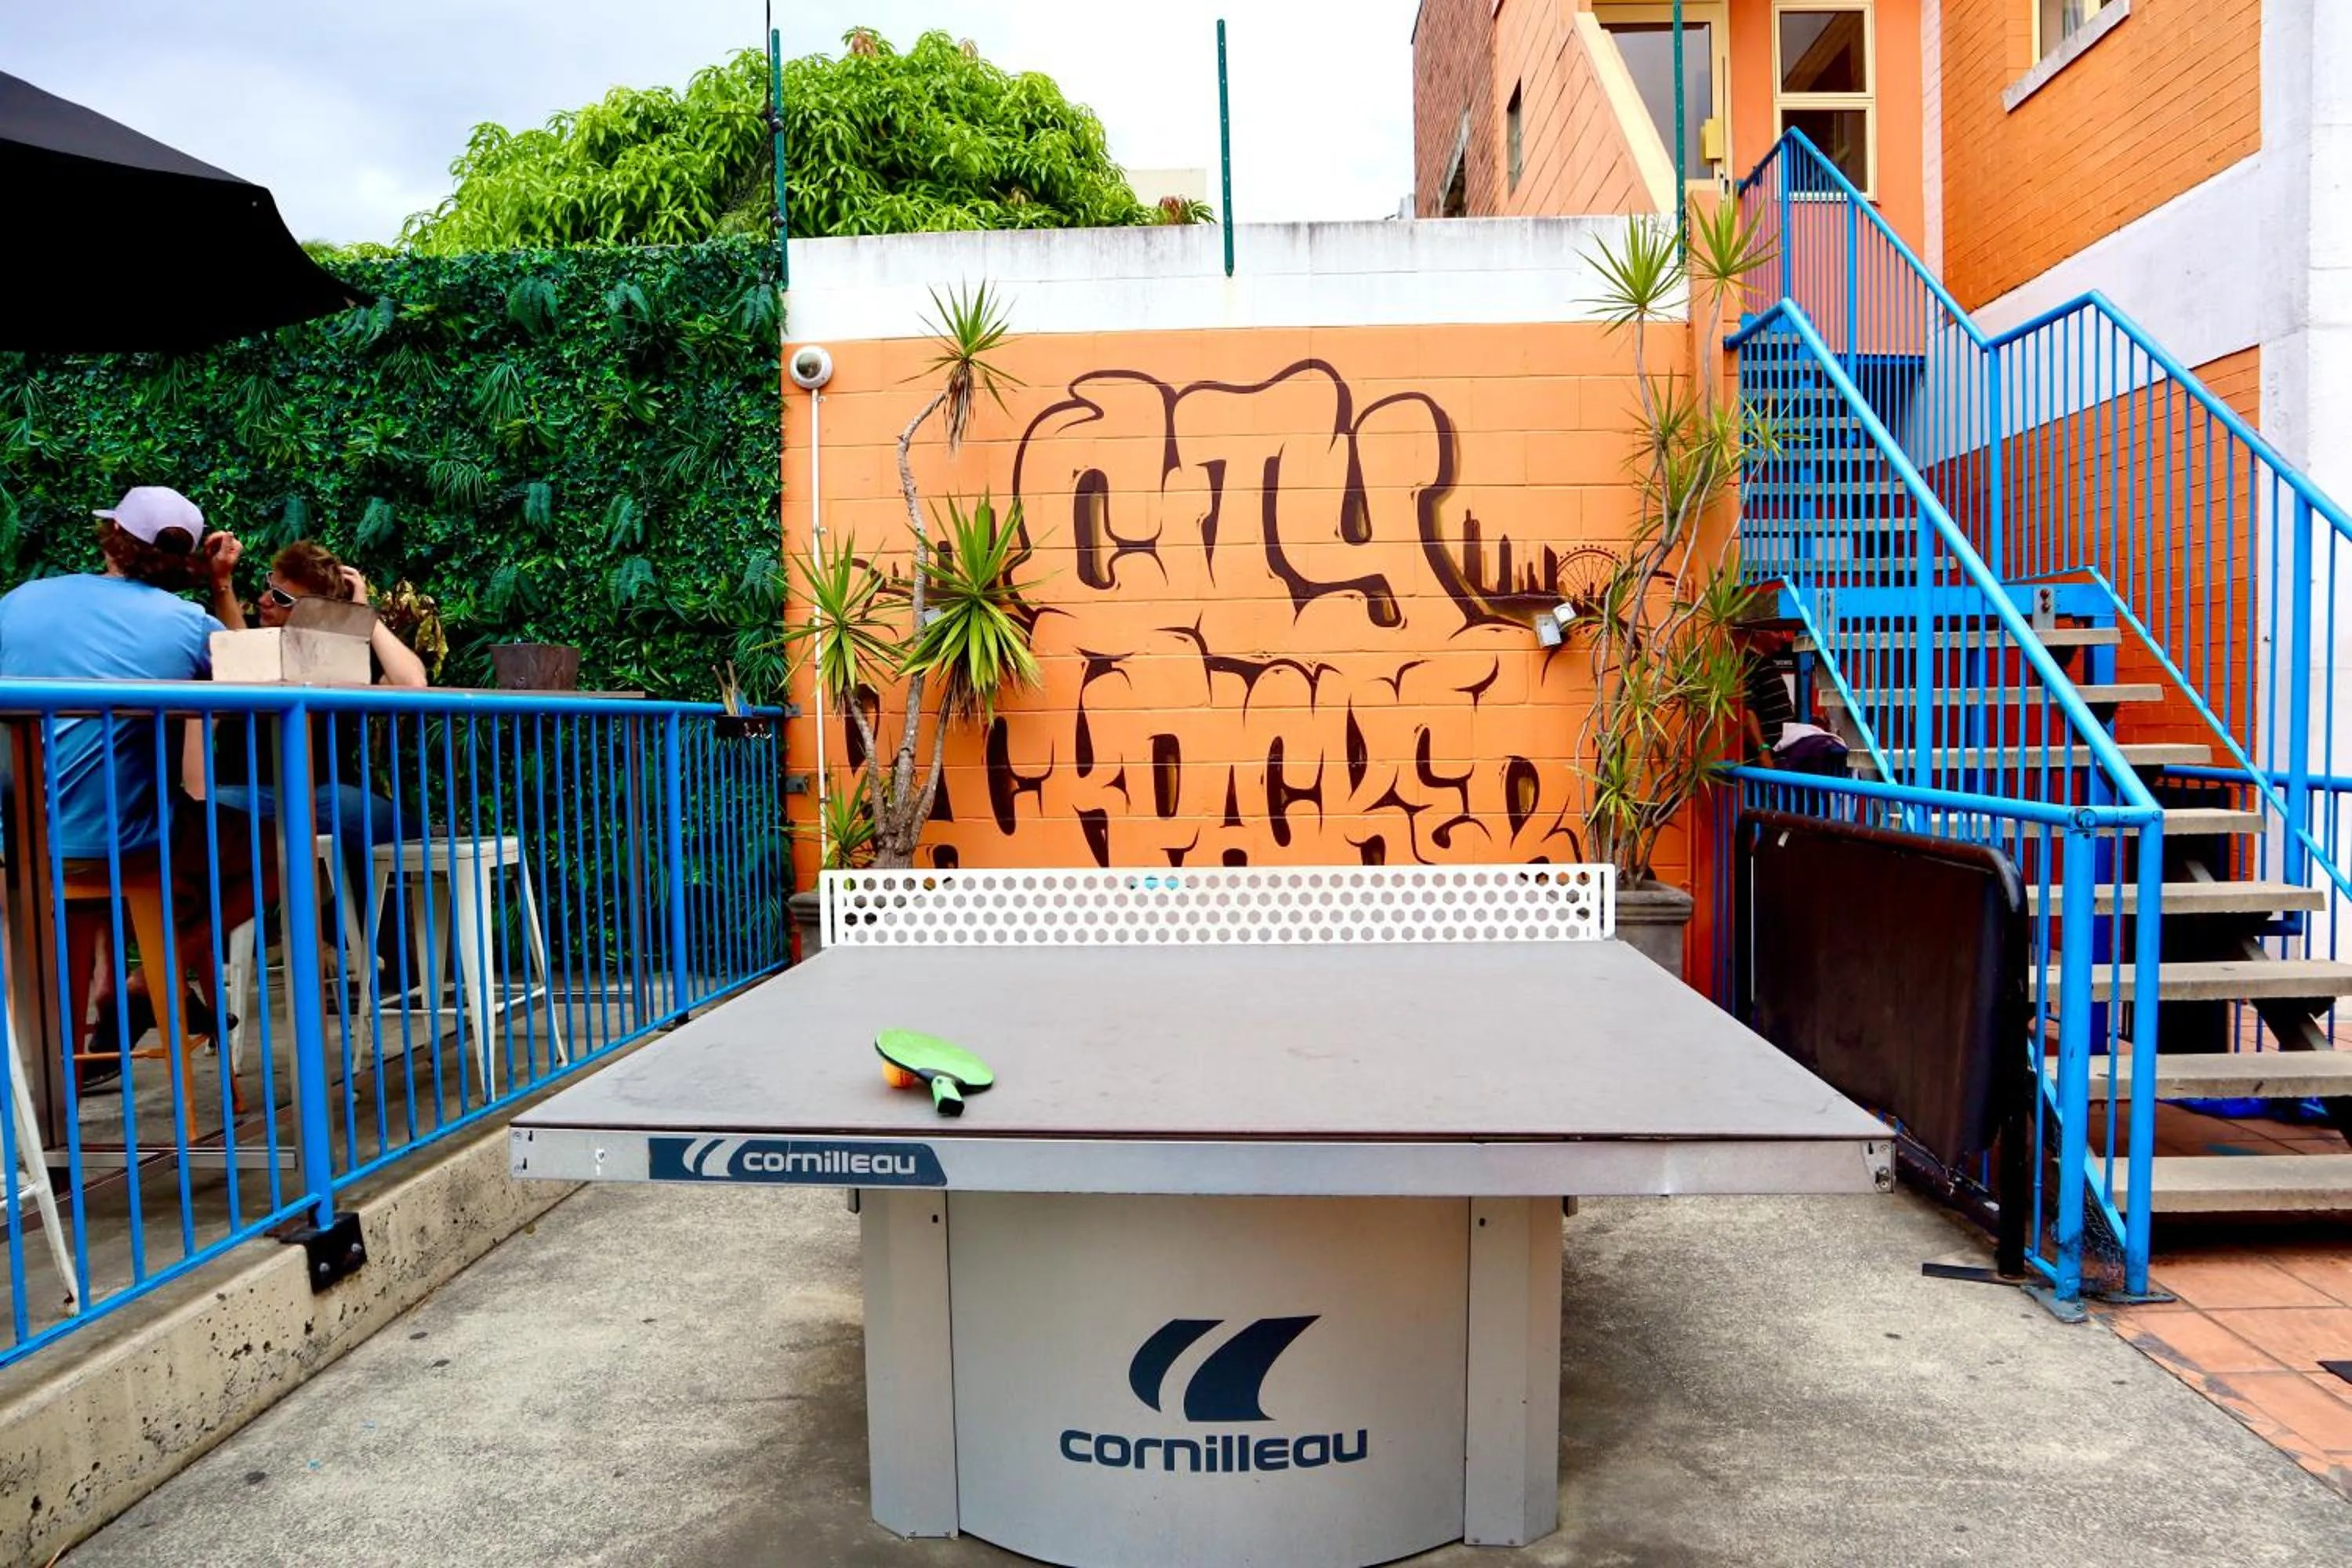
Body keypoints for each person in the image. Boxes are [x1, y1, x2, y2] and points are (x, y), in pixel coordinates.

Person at [0, 487, 249, 1086]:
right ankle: (150, 976)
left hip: (20, 845)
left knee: (96, 870)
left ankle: (51, 1088)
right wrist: (220, 586)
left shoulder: (21, 600)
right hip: (123, 844)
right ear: (185, 559)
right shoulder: (187, 624)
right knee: (280, 849)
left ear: (112, 538)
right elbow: (251, 688)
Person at [1740, 626, 1849, 777]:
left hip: (1782, 749)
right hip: (1772, 753)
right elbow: (1746, 712)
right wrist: (1763, 751)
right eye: (1777, 630)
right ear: (1758, 632)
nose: (1783, 637)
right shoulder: (1750, 664)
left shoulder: (1765, 663)